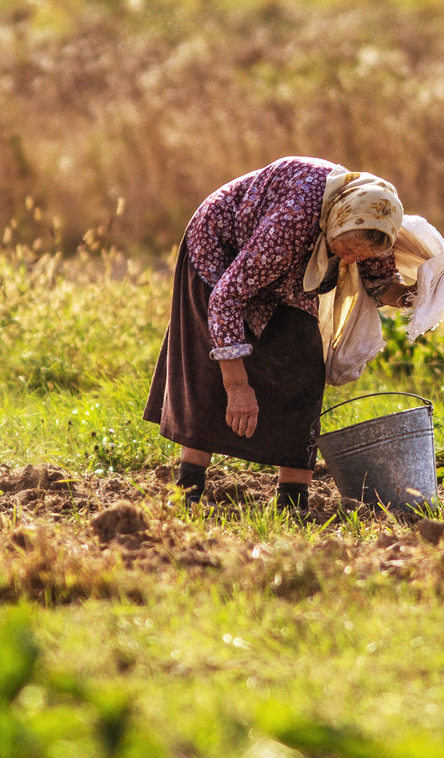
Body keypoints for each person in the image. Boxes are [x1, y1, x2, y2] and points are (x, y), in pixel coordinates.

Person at [143, 156, 416, 512]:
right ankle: (188, 491)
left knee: (303, 370)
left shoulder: (371, 220)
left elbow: (381, 282)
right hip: (221, 250)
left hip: (289, 267)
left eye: (358, 256)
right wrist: (238, 386)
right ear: (336, 222)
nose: (349, 261)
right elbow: (226, 298)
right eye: (346, 249)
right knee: (210, 374)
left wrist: (415, 298)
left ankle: (292, 502)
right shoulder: (290, 225)